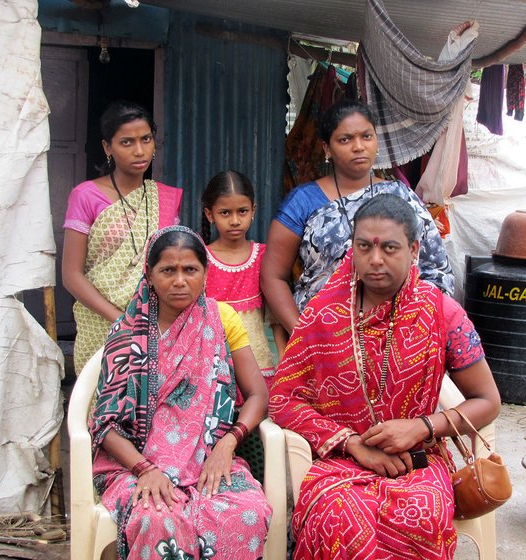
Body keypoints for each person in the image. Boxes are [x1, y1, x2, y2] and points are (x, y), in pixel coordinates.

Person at [269, 194, 500, 560]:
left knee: (421, 515)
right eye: (364, 247)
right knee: (338, 519)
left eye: (389, 247)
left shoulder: (442, 313)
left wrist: (422, 427)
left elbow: (488, 401)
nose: (375, 260)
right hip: (340, 462)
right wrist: (352, 443)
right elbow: (283, 399)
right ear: (353, 249)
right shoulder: (323, 314)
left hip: (419, 458)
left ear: (413, 248)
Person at [89, 226, 271, 560]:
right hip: (136, 465)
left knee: (244, 512)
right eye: (167, 270)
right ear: (150, 273)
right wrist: (145, 469)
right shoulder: (128, 332)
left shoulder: (220, 318)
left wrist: (228, 444)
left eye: (190, 270)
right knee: (157, 518)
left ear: (205, 272)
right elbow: (105, 423)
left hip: (208, 459)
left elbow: (257, 394)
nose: (179, 281)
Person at [261, 99, 454, 337]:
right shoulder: (303, 201)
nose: (359, 146)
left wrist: (417, 328)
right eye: (345, 139)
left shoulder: (401, 195)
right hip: (325, 338)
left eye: (366, 136)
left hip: (398, 336)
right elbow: (273, 276)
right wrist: (304, 336)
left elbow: (434, 268)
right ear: (326, 149)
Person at [62, 101, 182, 373]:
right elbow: (71, 275)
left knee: (150, 406)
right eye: (127, 142)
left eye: (146, 139)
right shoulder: (85, 196)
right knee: (99, 406)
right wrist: (121, 320)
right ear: (108, 147)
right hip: (100, 324)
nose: (139, 151)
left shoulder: (164, 198)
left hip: (154, 323)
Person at [201, 170, 285, 387]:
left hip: (259, 365)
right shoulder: (200, 258)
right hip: (213, 365)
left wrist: (284, 364)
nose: (235, 220)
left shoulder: (264, 256)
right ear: (210, 215)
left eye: (242, 211)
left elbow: (276, 318)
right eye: (225, 213)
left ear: (253, 210)